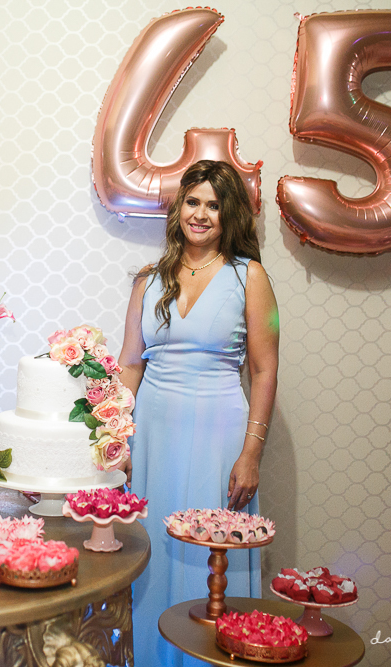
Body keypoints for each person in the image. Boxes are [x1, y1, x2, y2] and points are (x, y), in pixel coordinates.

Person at [119, 160, 279, 666]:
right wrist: (117, 437)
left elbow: (264, 371)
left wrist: (252, 454)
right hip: (152, 435)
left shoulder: (249, 276)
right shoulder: (148, 279)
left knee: (211, 554)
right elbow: (129, 365)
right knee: (151, 551)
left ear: (229, 214)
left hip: (219, 435)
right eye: (193, 201)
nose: (201, 214)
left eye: (214, 205)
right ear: (179, 208)